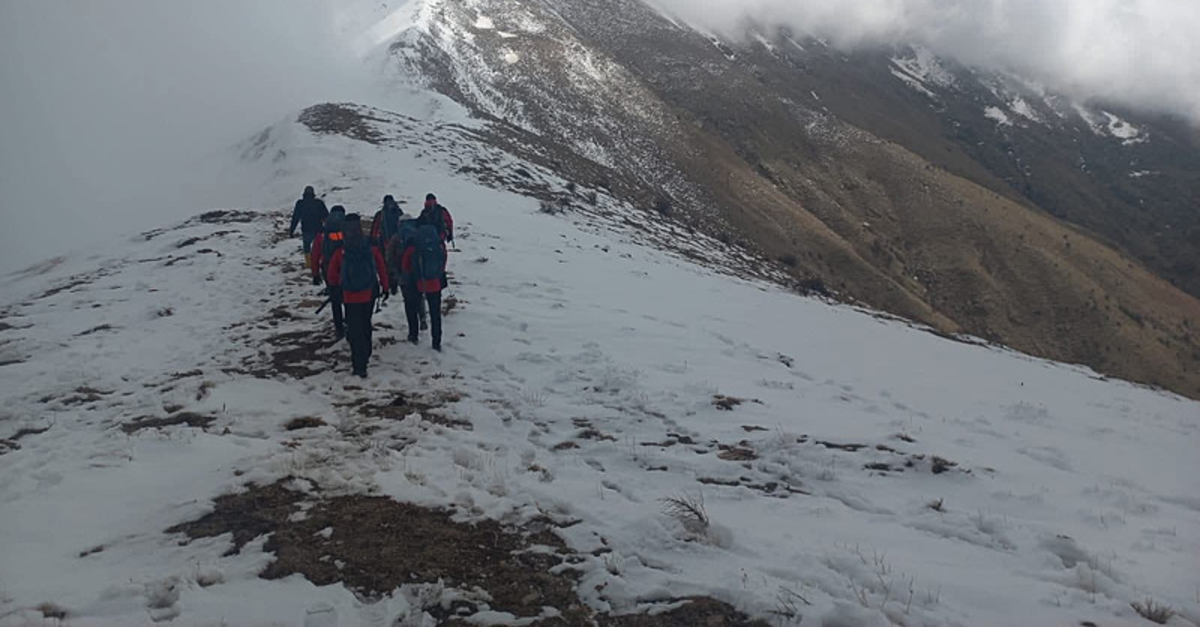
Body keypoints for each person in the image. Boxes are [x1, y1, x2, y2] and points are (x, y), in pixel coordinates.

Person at [327, 214, 389, 377]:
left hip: (349, 296)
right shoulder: (370, 247)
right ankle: (366, 353)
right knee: (365, 323)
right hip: (368, 293)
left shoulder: (341, 250)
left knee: (354, 330)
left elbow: (331, 274)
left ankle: (358, 366)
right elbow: (381, 267)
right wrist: (385, 286)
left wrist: (337, 286)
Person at [401, 220, 448, 352]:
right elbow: (443, 259)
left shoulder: (413, 245)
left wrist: (409, 277)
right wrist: (439, 273)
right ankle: (436, 342)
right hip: (435, 283)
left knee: (413, 307)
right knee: (435, 313)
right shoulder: (438, 244)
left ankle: (414, 335)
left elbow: (405, 264)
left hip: (418, 283)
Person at [310, 205, 347, 338]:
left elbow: (315, 255)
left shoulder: (322, 235)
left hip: (328, 270)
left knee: (335, 299)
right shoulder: (348, 231)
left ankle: (339, 328)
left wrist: (315, 273)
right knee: (347, 297)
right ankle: (350, 323)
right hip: (347, 269)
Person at [371, 195, 406, 295]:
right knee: (397, 262)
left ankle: (390, 284)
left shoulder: (381, 214)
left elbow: (375, 229)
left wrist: (373, 241)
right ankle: (396, 282)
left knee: (385, 264)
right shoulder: (399, 212)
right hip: (397, 243)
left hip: (384, 242)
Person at [288, 186, 329, 271]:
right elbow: (326, 216)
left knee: (307, 247)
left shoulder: (300, 203)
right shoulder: (319, 203)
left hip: (306, 229)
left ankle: (309, 264)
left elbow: (296, 217)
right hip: (318, 229)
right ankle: (320, 261)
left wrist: (291, 230)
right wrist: (328, 228)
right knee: (320, 247)